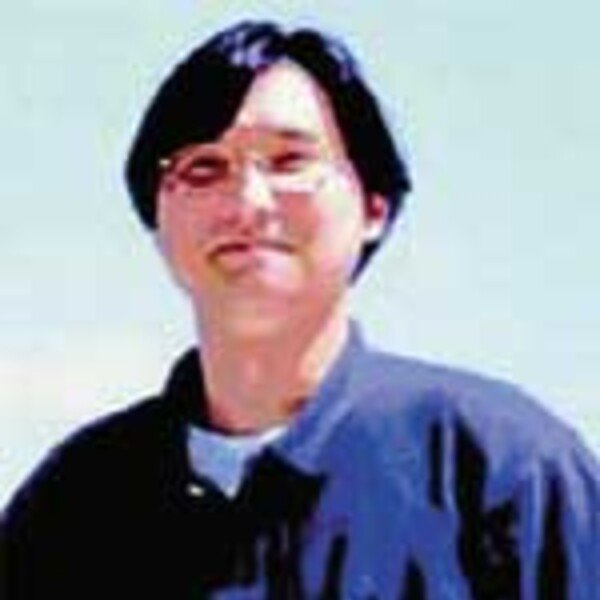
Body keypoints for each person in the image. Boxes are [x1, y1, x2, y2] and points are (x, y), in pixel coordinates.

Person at [2, 20, 598, 599]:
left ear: (374, 207)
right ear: (156, 215)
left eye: (289, 162)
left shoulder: (502, 471)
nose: (248, 202)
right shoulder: (70, 506)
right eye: (204, 168)